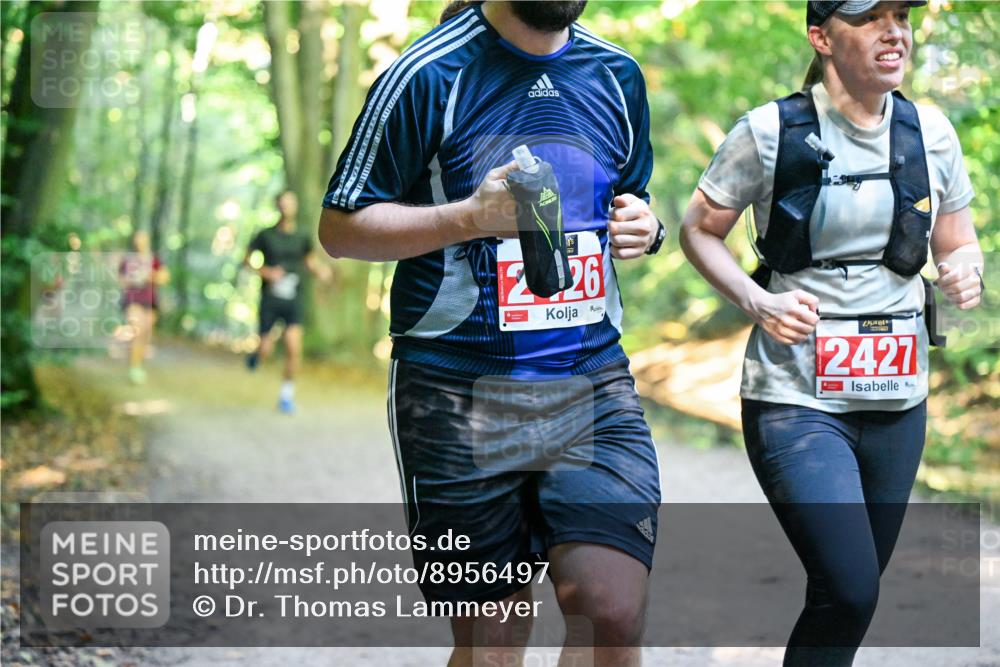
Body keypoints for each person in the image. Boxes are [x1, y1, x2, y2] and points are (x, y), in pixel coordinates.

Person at [319, 1, 666, 665]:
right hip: (455, 390)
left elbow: (631, 199)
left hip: (590, 380)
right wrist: (470, 217)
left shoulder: (617, 74)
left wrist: (644, 230)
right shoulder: (427, 74)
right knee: (494, 638)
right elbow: (340, 228)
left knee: (612, 611)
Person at [678, 2, 983, 665]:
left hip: (897, 399)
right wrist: (756, 300)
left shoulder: (930, 132)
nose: (893, 31)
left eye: (899, 16)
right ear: (821, 36)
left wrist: (965, 271)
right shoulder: (768, 132)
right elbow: (699, 229)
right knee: (848, 586)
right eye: (870, 18)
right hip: (796, 398)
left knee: (851, 594)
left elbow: (958, 240)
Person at [245, 190, 332, 414]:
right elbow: (246, 261)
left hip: (294, 298)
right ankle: (256, 355)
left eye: (291, 202)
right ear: (277, 206)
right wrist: (266, 272)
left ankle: (286, 396)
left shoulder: (302, 236)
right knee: (266, 348)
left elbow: (310, 261)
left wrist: (321, 272)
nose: (287, 206)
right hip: (270, 299)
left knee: (294, 347)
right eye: (283, 203)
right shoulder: (266, 235)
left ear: (296, 206)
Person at [119, 230, 169, 385]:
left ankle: (138, 365)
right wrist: (133, 278)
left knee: (145, 334)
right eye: (138, 238)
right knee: (137, 330)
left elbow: (164, 277)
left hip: (151, 302)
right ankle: (133, 368)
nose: (140, 241)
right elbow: (121, 279)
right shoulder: (128, 260)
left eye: (143, 238)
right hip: (133, 300)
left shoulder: (154, 259)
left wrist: (149, 275)